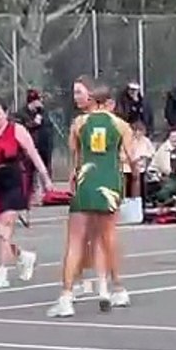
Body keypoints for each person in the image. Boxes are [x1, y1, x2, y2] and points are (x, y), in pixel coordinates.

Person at [49, 79, 136, 318]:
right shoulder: (120, 125)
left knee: (75, 240)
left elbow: (75, 156)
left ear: (92, 99)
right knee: (108, 237)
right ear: (108, 102)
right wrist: (132, 178)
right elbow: (131, 158)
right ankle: (115, 288)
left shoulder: (79, 123)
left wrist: (73, 179)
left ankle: (66, 296)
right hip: (110, 182)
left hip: (87, 180)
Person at [0, 100, 50, 290]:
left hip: (14, 179)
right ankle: (23, 256)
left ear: (6, 113)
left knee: (3, 230)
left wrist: (45, 178)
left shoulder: (17, 130)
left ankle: (2, 272)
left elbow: (33, 153)